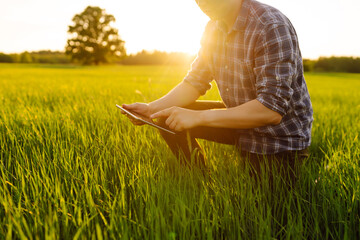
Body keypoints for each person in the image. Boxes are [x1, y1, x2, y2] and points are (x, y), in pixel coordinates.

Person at [122, 0, 313, 183]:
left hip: (277, 138)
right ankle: (198, 184)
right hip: (239, 122)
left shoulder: (270, 26)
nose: (201, 2)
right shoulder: (212, 28)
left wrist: (199, 117)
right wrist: (150, 109)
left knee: (263, 210)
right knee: (168, 118)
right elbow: (195, 82)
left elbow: (270, 111)